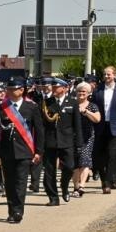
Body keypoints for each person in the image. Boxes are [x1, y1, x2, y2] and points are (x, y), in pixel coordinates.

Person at [0, 75, 44, 223]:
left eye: (13, 89)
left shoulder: (32, 107)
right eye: (8, 89)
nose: (9, 91)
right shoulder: (1, 107)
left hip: (24, 151)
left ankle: (18, 211)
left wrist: (39, 151)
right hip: (6, 151)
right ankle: (11, 210)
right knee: (9, 183)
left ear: (21, 90)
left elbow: (39, 130)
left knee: (20, 182)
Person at [37, 76, 78, 204]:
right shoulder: (46, 103)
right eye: (52, 86)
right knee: (49, 171)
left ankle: (64, 186)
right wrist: (40, 144)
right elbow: (41, 126)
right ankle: (53, 198)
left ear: (65, 88)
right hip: (50, 141)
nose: (53, 88)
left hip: (67, 141)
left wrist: (79, 143)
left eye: (56, 86)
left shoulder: (72, 102)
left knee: (69, 167)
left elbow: (77, 125)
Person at [72, 80, 100, 197]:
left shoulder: (92, 106)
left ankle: (82, 186)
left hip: (87, 136)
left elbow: (97, 119)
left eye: (83, 91)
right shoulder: (72, 104)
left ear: (89, 93)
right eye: (79, 91)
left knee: (85, 160)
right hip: (72, 137)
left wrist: (86, 112)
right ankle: (76, 186)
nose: (81, 93)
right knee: (74, 164)